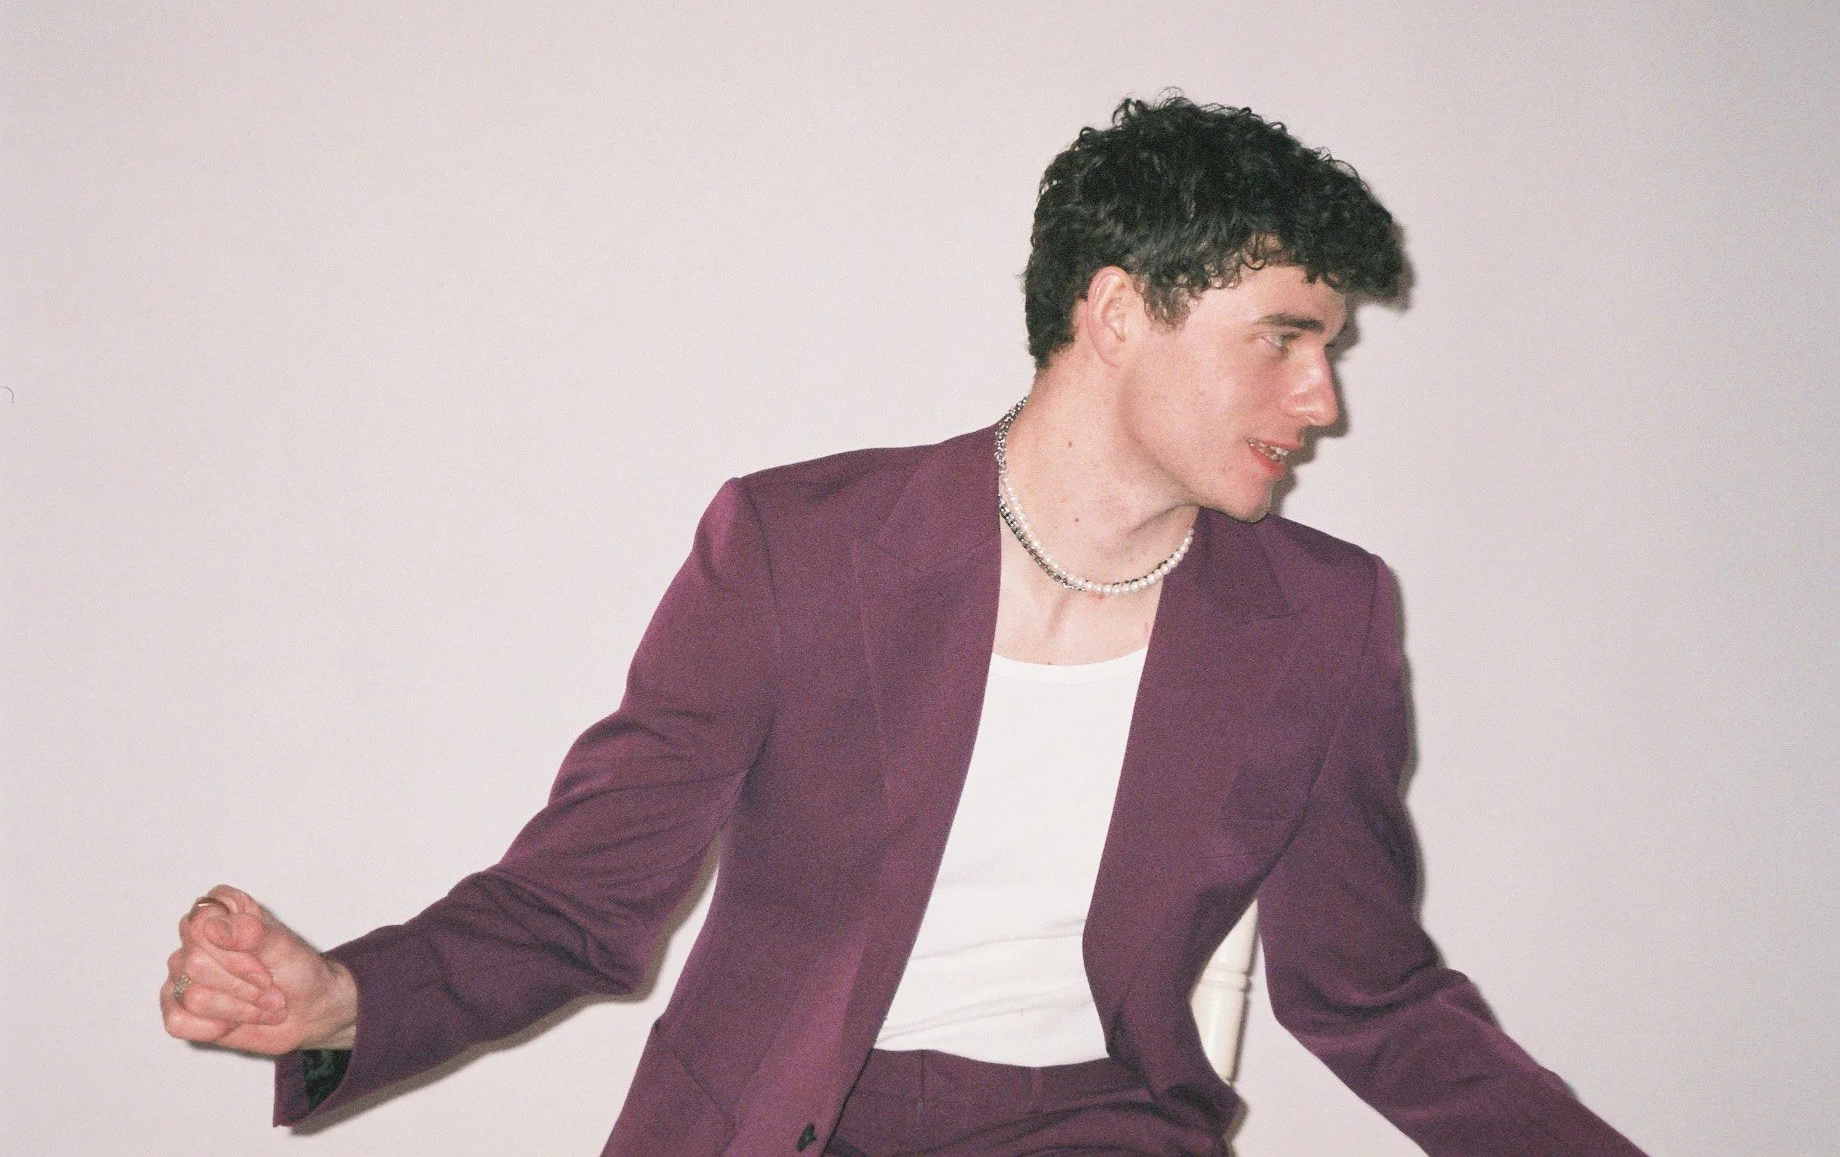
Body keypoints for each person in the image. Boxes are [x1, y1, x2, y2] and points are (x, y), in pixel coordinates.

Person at [161, 95, 1648, 1156]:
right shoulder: (801, 548)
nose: (1322, 400)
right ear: (1119, 312)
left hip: (1098, 1124)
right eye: (1284, 337)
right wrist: (343, 997)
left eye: (1329, 351)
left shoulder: (1319, 618)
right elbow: (582, 897)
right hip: (771, 1114)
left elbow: (1374, 995)